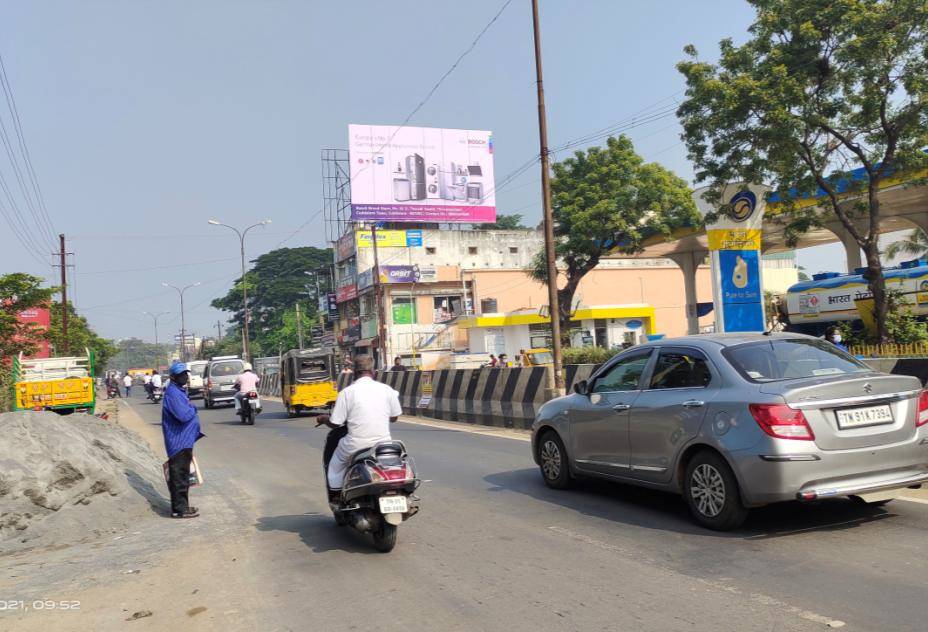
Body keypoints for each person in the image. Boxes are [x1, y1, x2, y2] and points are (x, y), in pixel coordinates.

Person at [316, 354, 401, 491]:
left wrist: (324, 419)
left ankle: (337, 494)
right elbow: (394, 417)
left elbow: (335, 423)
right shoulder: (387, 390)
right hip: (383, 444)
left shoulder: (347, 393)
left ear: (354, 373)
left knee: (335, 464)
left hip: (355, 446)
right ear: (373, 372)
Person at [162, 362, 204, 519]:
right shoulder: (173, 393)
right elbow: (183, 415)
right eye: (181, 375)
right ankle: (179, 510)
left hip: (184, 440)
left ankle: (183, 506)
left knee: (183, 476)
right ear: (173, 377)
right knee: (179, 477)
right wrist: (193, 408)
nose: (185, 377)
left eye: (186, 374)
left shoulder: (179, 391)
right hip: (178, 441)